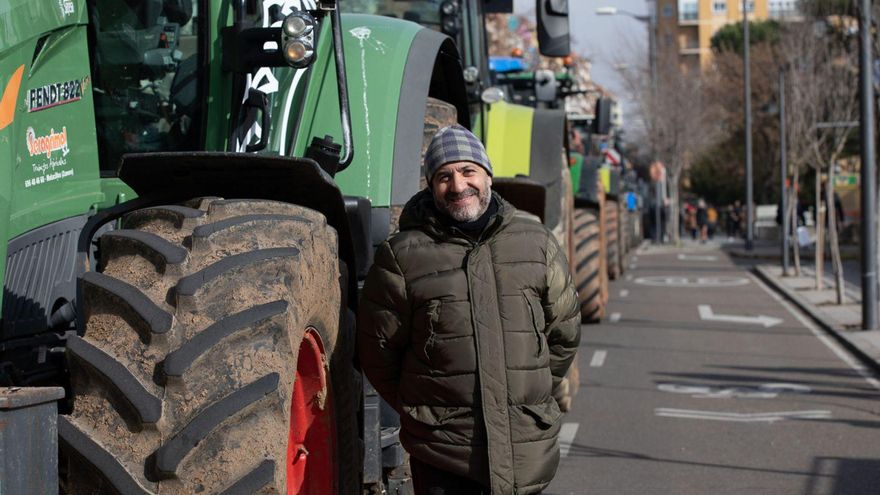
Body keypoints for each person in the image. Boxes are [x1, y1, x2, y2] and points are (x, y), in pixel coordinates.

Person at [358, 124, 581, 495]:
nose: (458, 185)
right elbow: (379, 352)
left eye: (467, 171)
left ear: (487, 175)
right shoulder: (402, 255)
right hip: (442, 453)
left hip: (524, 444)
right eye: (444, 176)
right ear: (431, 186)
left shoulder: (536, 242)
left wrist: (529, 391)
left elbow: (564, 332)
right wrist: (424, 411)